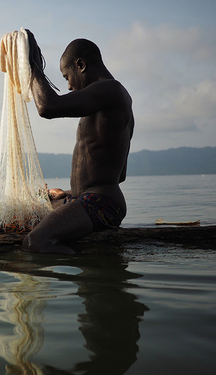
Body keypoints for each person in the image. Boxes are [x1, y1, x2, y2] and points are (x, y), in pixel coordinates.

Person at [22, 32, 134, 254]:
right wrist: (67, 193)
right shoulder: (105, 100)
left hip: (101, 203)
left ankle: (88, 269)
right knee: (24, 216)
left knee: (34, 243)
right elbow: (118, 174)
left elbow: (47, 106)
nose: (69, 86)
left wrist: (32, 64)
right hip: (85, 198)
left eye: (66, 77)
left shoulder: (111, 90)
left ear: (81, 65)